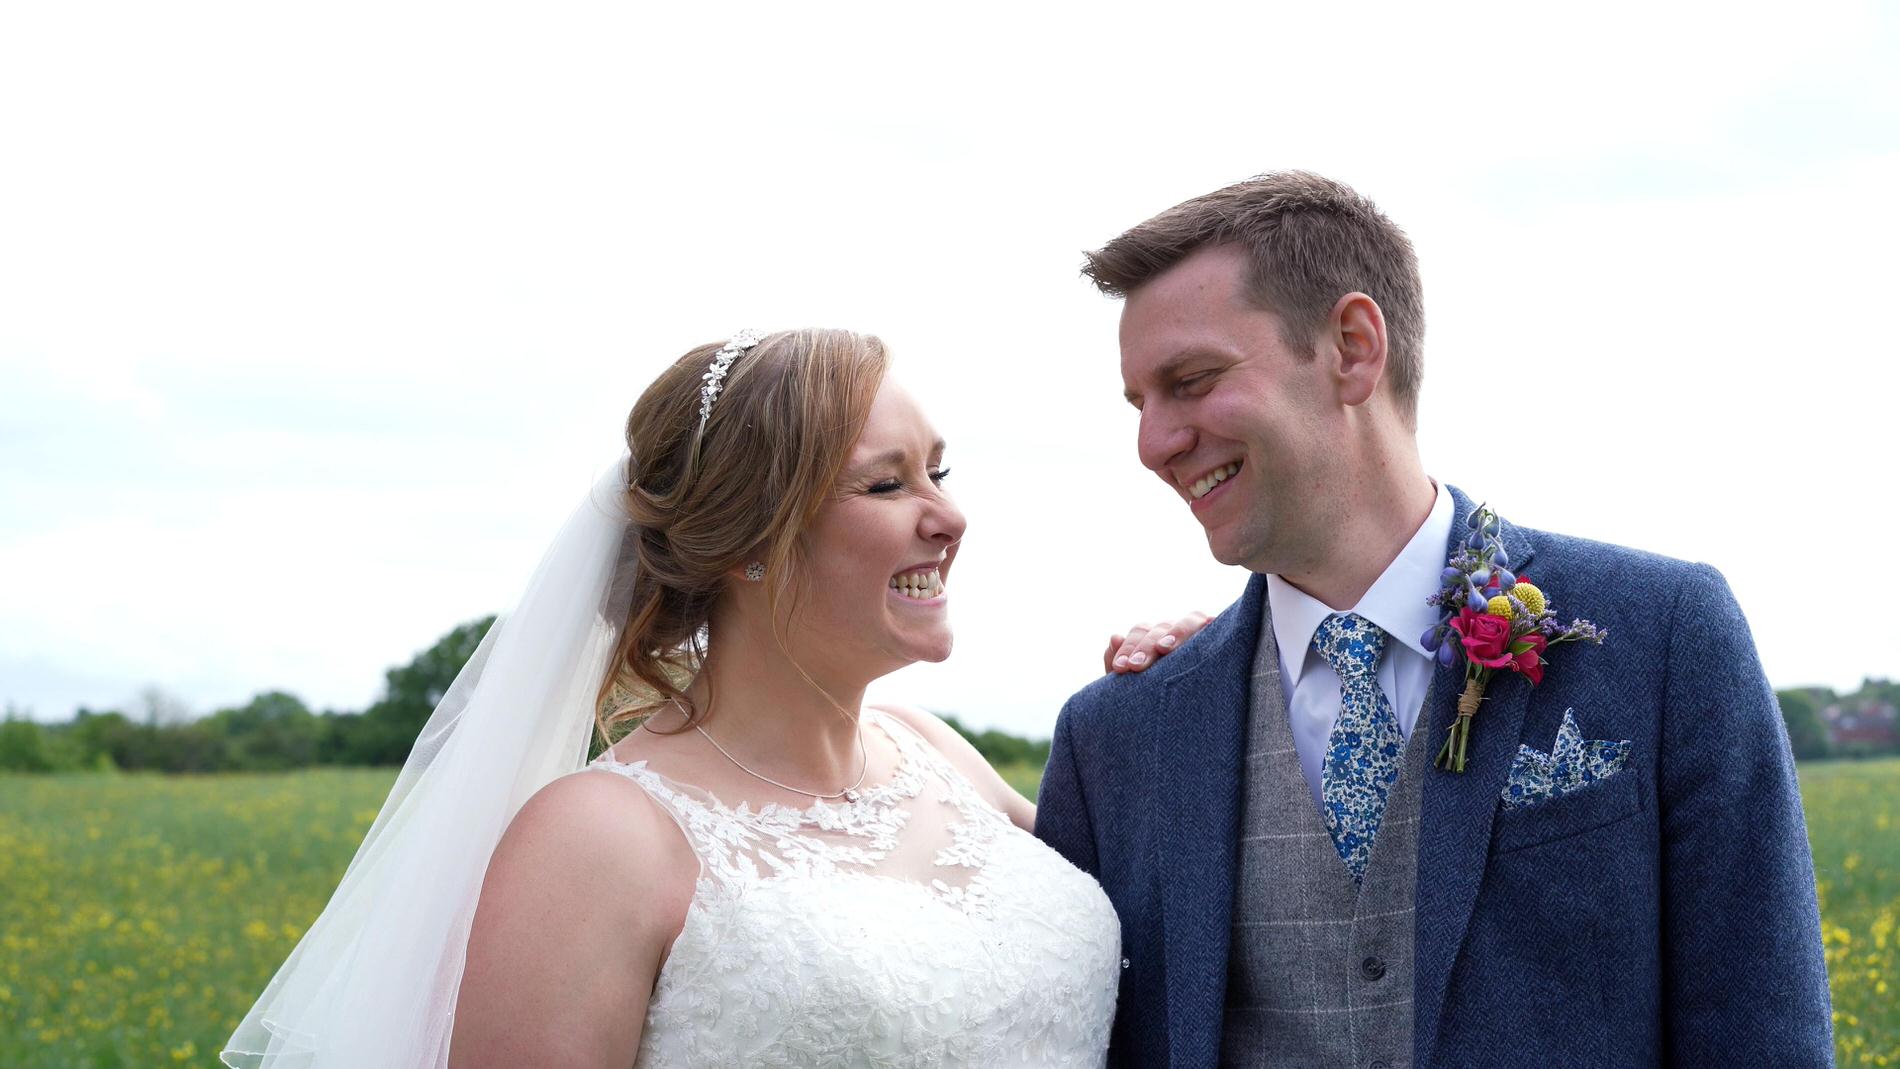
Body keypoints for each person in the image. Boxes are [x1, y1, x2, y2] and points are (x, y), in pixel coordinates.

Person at [222, 328, 1202, 1069]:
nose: (949, 516)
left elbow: (1175, 893)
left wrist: (1202, 681)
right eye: (885, 485)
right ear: (747, 540)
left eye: (938, 472)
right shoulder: (599, 836)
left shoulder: (934, 747)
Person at [1035, 172, 1833, 1068]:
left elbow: (1765, 1039)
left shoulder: (1665, 637)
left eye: (1191, 380)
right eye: (1140, 404)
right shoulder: (1114, 739)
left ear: (1353, 347)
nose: (1153, 444)